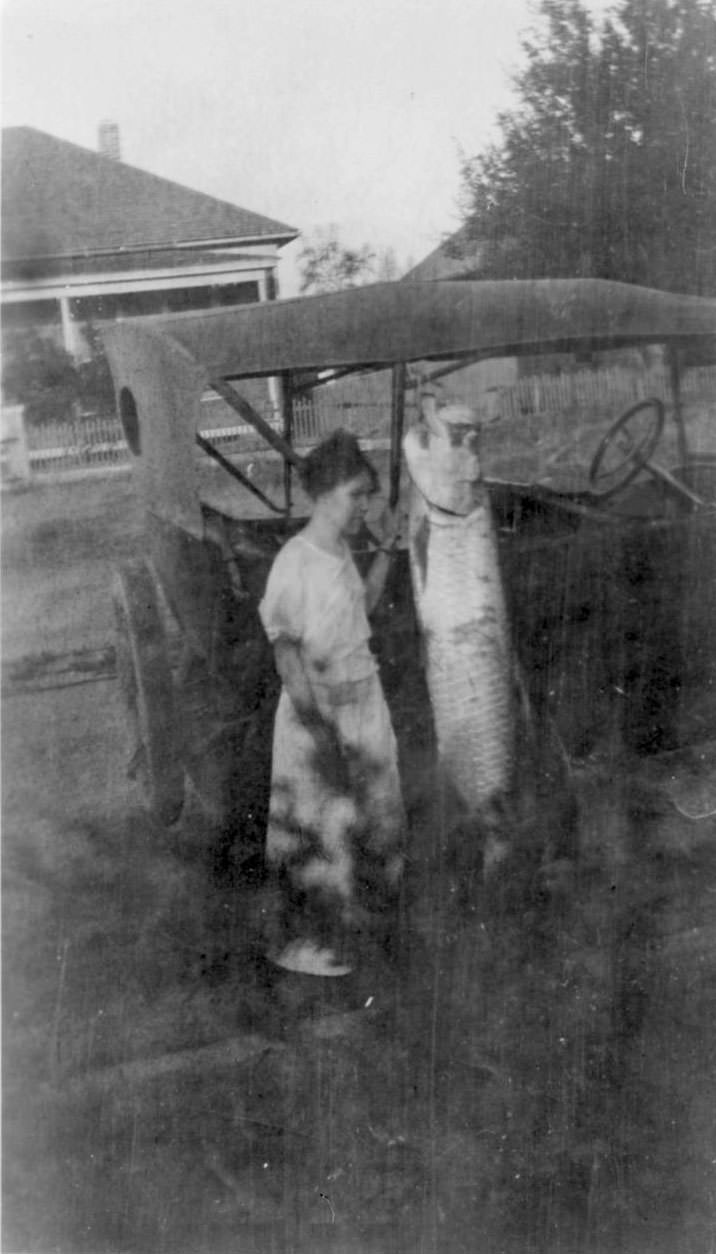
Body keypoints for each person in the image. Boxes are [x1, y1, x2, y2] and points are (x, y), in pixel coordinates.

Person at [258, 430, 405, 977]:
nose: (364, 504)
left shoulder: (340, 550)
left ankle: (360, 929)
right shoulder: (294, 564)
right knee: (314, 829)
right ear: (321, 496)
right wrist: (319, 730)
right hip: (317, 713)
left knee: (376, 817)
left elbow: (359, 608)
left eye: (368, 494)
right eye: (355, 494)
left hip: (364, 700)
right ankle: (292, 943)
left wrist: (388, 547)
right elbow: (288, 656)